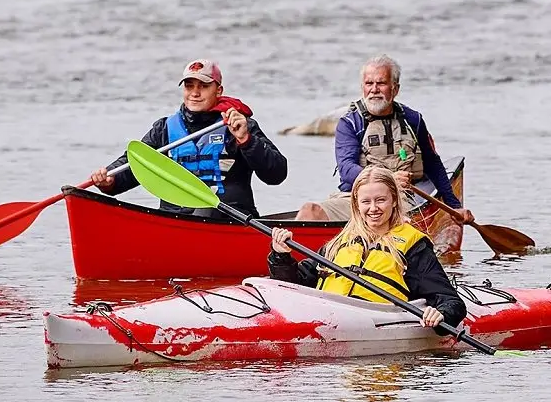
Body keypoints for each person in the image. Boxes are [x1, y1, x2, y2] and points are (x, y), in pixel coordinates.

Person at [269, 166, 467, 334]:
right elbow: (294, 286)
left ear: (394, 201)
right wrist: (281, 256)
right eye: (366, 202)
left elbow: (451, 302)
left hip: (374, 322)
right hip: (326, 316)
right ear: (356, 204)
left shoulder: (413, 246)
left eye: (380, 200)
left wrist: (440, 314)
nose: (373, 208)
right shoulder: (339, 243)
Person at [90, 59, 288, 218]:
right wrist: (109, 180)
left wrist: (247, 141)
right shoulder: (164, 129)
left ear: (218, 90)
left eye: (203, 86)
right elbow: (133, 165)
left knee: (206, 210)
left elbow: (277, 174)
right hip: (175, 220)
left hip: (231, 219)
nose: (194, 93)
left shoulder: (239, 125)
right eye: (189, 86)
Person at [295, 54, 474, 225]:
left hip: (400, 200)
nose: (374, 89)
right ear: (362, 88)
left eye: (381, 83)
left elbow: (433, 165)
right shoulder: (350, 123)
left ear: (395, 88)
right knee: (309, 211)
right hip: (356, 199)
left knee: (397, 220)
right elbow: (347, 169)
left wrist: (454, 206)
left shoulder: (413, 120)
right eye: (369, 83)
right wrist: (388, 179)